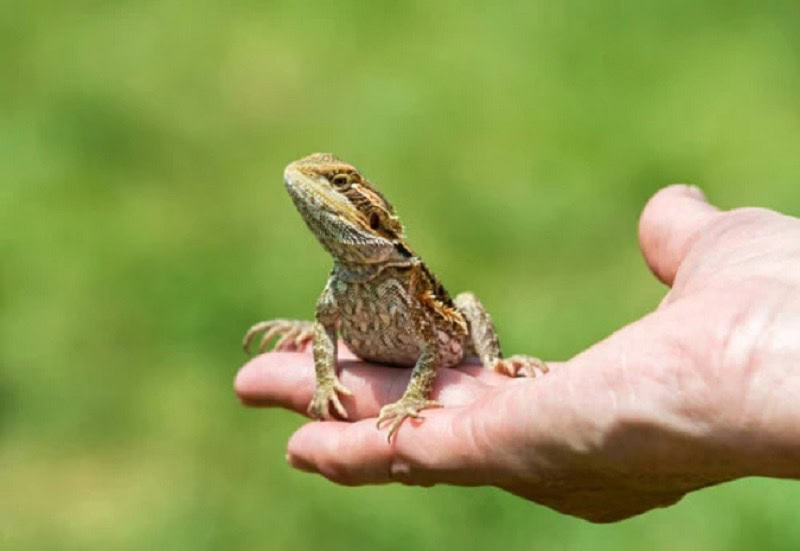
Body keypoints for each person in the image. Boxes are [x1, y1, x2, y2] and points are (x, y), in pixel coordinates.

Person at [234, 184, 800, 522]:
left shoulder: (403, 278)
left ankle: (498, 361)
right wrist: (327, 376)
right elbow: (327, 325)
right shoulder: (338, 283)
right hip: (380, 349)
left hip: (445, 354)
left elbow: (435, 345)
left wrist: (414, 399)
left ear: (372, 218)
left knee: (470, 305)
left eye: (338, 184)